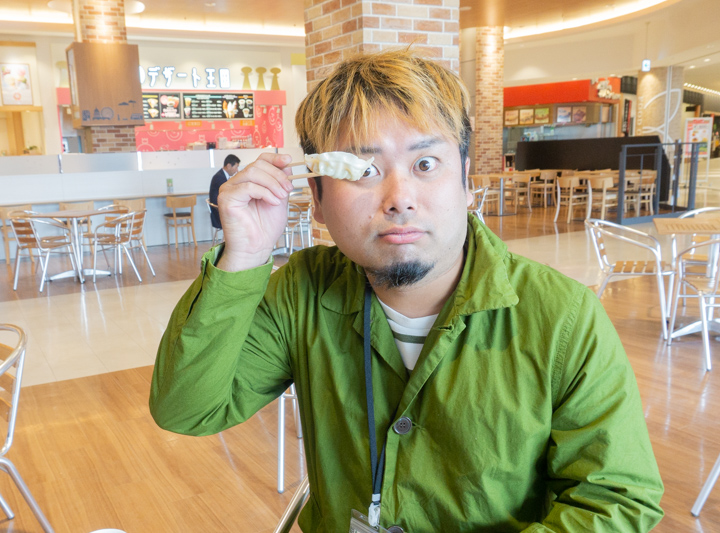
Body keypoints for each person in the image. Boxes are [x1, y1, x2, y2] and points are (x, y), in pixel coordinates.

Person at [150, 49, 664, 532]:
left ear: (465, 181)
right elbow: (187, 409)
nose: (399, 199)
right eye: (365, 170)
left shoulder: (562, 316)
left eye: (425, 164)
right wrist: (243, 257)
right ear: (317, 198)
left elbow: (616, 498)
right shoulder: (301, 293)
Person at [208, 154, 240, 229]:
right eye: (236, 167)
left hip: (221, 210)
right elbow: (229, 193)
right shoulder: (219, 178)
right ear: (228, 166)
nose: (237, 170)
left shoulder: (222, 176)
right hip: (219, 214)